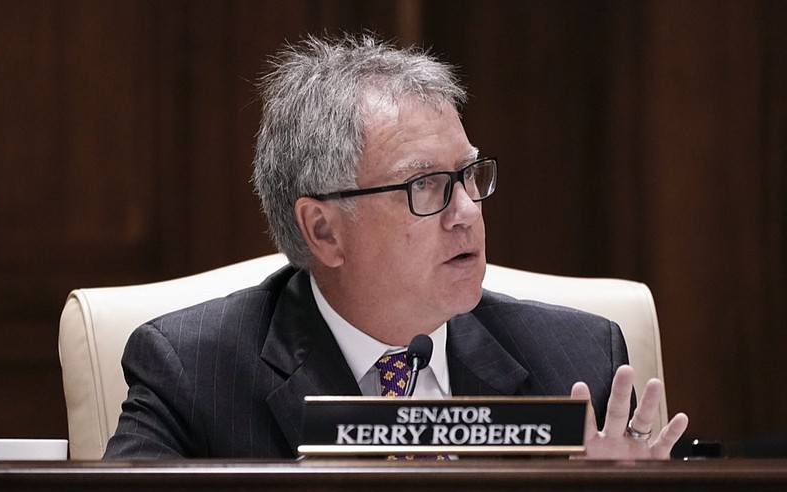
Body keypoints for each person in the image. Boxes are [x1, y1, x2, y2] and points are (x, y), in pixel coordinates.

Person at [104, 33, 688, 460]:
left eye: (469, 175)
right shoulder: (193, 373)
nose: (466, 211)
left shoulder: (579, 362)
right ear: (323, 231)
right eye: (425, 186)